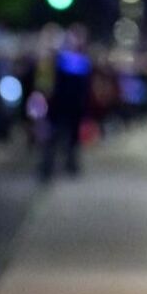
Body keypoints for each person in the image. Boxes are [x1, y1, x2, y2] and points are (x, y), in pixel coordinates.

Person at [41, 26, 91, 180]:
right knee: (54, 137)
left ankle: (69, 164)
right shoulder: (62, 60)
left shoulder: (80, 61)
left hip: (73, 106)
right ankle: (49, 166)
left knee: (71, 139)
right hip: (59, 105)